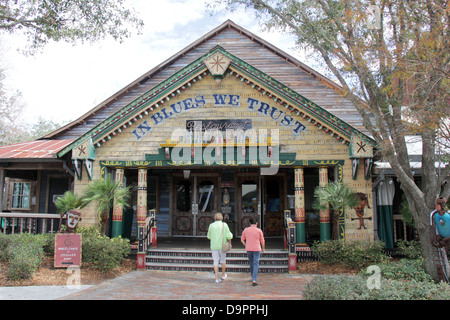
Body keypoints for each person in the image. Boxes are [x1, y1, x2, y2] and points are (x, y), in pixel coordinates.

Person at [207, 212, 233, 284]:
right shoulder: (224, 225)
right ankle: (223, 274)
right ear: (222, 218)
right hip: (222, 246)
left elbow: (209, 236)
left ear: (215, 218)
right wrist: (230, 243)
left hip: (214, 246)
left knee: (215, 262)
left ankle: (216, 278)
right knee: (223, 260)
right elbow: (229, 236)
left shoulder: (211, 225)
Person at [241, 218, 265, 286]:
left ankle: (253, 276)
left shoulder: (246, 230)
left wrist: (246, 245)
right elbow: (262, 240)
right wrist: (263, 248)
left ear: (249, 223)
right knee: (256, 263)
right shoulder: (259, 230)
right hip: (257, 249)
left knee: (251, 263)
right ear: (256, 223)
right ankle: (254, 279)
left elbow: (242, 239)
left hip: (249, 249)